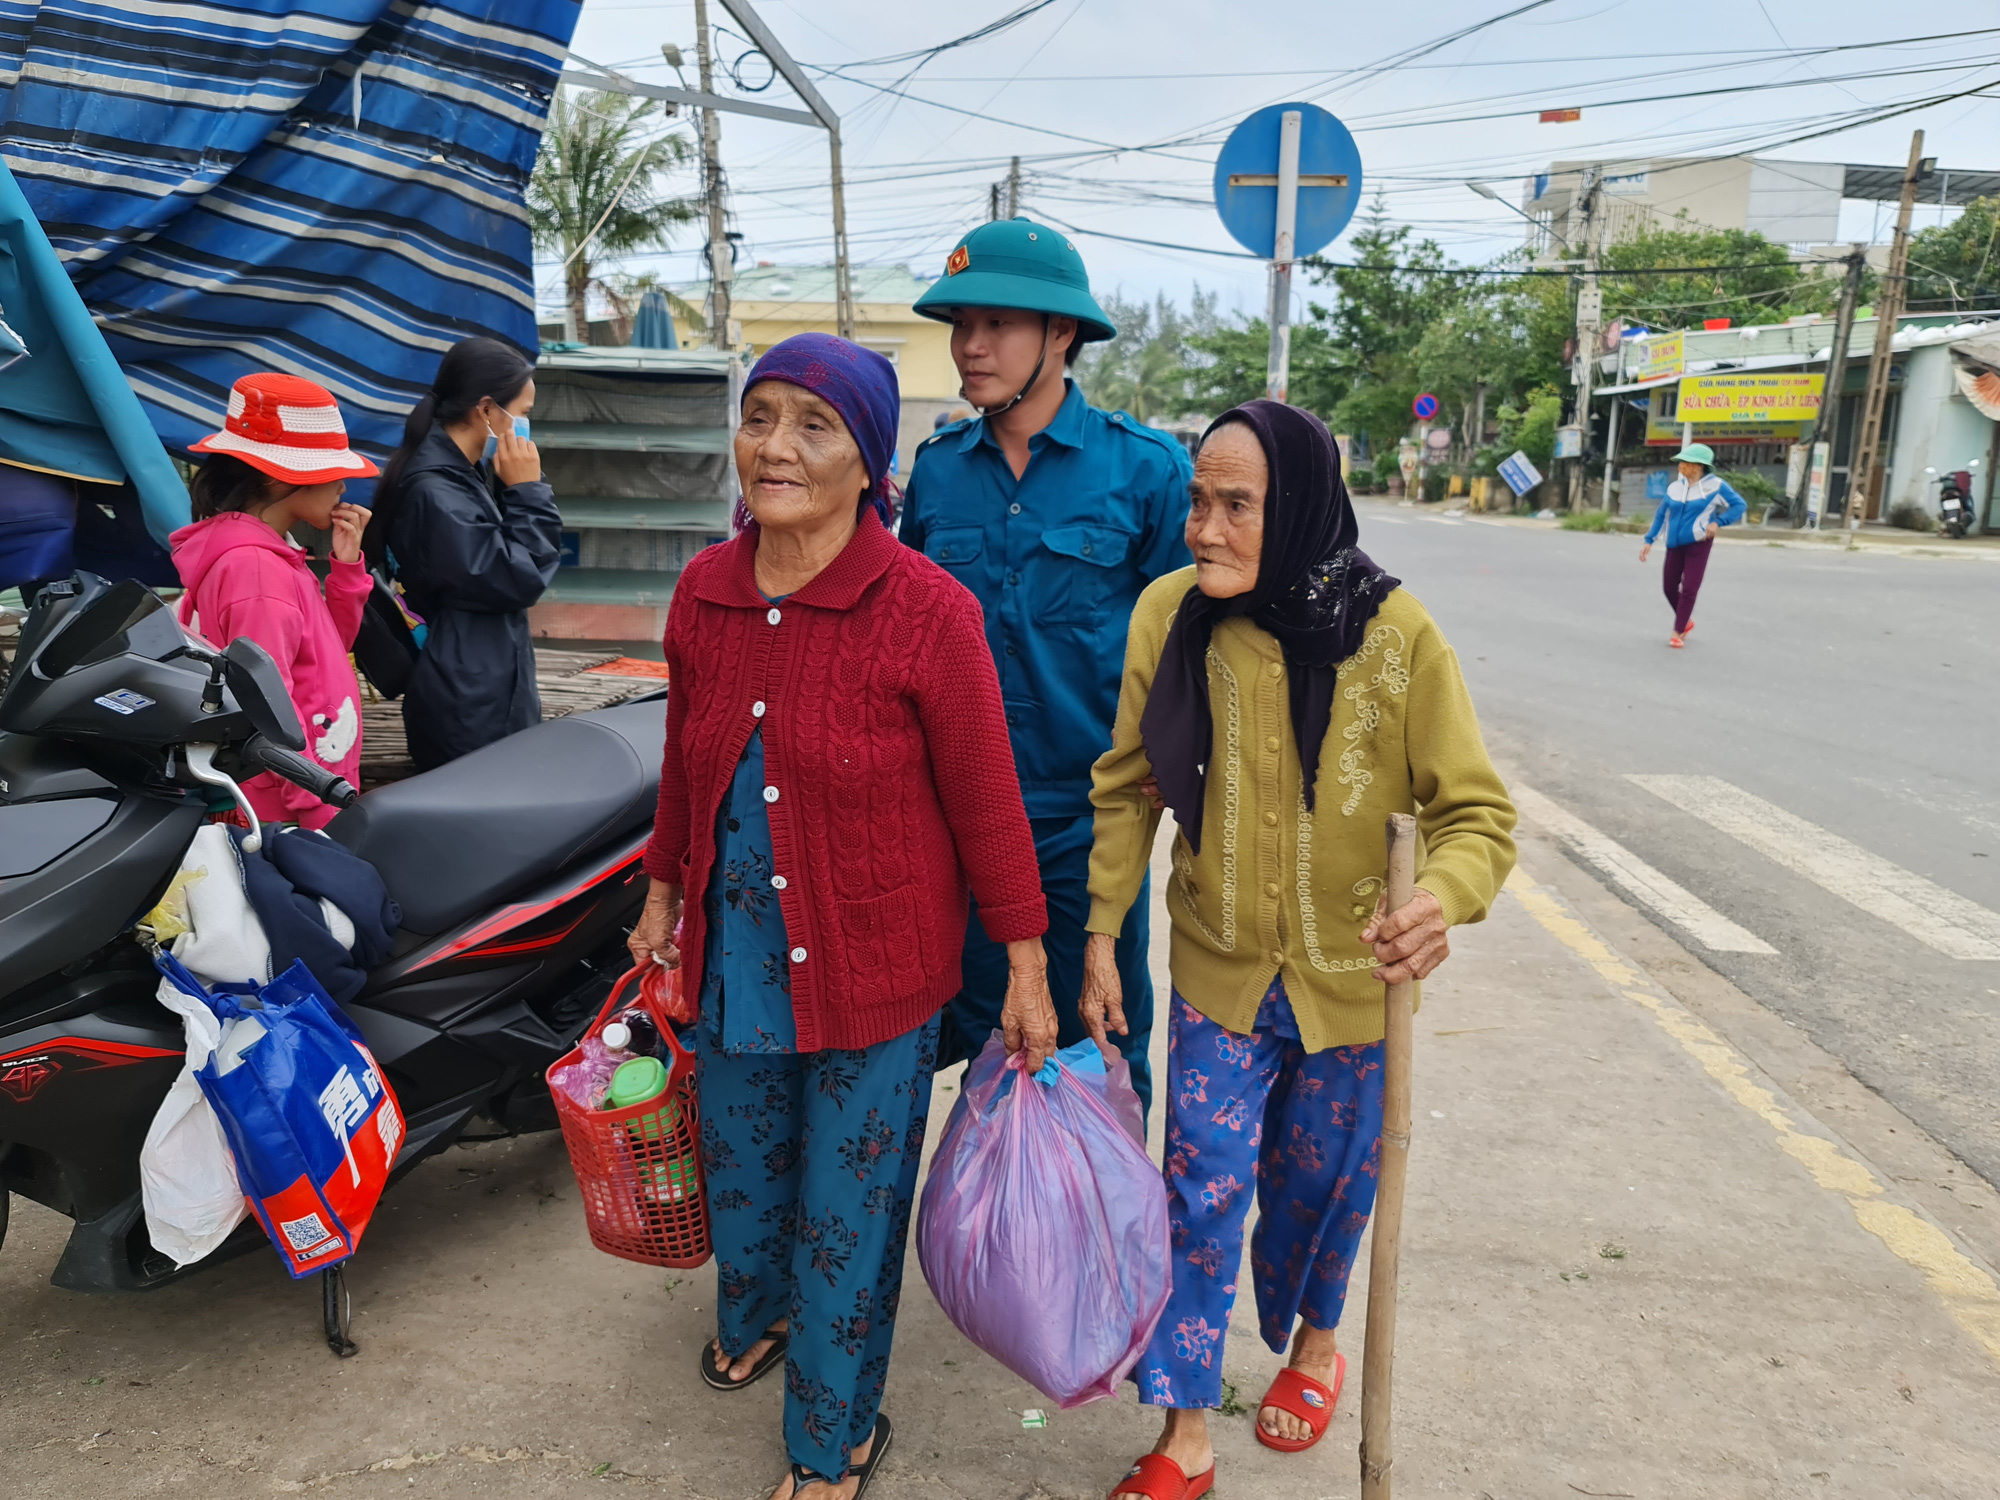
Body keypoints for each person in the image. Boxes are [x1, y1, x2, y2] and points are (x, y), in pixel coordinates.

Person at [625, 332, 1056, 1500]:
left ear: (867, 460)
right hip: (737, 958)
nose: (774, 447)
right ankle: (755, 1317)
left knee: (844, 1221)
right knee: (747, 1177)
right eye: (760, 416)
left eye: (812, 426)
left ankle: (833, 1437)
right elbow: (684, 761)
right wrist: (662, 891)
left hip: (875, 969)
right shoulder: (704, 592)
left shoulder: (923, 609)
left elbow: (985, 800)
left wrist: (1024, 965)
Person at [1080, 401, 1516, 1500]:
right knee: (1199, 1191)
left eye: (1235, 506)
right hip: (1219, 968)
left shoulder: (1395, 633)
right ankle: (1184, 1429)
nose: (1202, 529)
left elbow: (1474, 816)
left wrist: (1442, 902)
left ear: (1301, 508)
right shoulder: (1167, 618)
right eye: (1197, 500)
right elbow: (1126, 789)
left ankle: (1314, 1347)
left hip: (1354, 986)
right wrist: (1097, 931)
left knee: (1323, 1187)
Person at [900, 217, 1193, 1117]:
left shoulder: (1145, 474)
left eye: (997, 324)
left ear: (1061, 335)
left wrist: (1171, 772)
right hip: (955, 820)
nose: (970, 346)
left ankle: (1103, 1241)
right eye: (960, 324)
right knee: (959, 1036)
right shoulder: (938, 474)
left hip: (1087, 824)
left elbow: (1192, 647)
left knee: (1097, 1042)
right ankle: (1004, 1235)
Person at [174, 373, 379, 829]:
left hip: (300, 788)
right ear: (274, 476)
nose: (344, 487)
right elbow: (269, 701)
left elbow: (327, 646)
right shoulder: (258, 569)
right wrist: (317, 810)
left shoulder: (268, 551)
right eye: (334, 473)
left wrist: (346, 570)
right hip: (289, 807)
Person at [364, 337, 560, 769]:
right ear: (488, 410)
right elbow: (515, 577)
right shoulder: (436, 491)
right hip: (467, 703)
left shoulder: (459, 475)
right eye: (523, 414)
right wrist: (528, 492)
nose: (525, 426)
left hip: (479, 689)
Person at [1639, 442, 1746, 648]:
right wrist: (1649, 540)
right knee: (1669, 587)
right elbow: (1662, 515)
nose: (1681, 466)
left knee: (1689, 588)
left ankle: (1677, 631)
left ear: (1699, 466)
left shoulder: (1715, 486)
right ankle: (1686, 621)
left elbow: (1739, 505)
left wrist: (1718, 522)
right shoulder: (1674, 488)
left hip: (1699, 544)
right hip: (1674, 544)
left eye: (1685, 462)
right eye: (1680, 463)